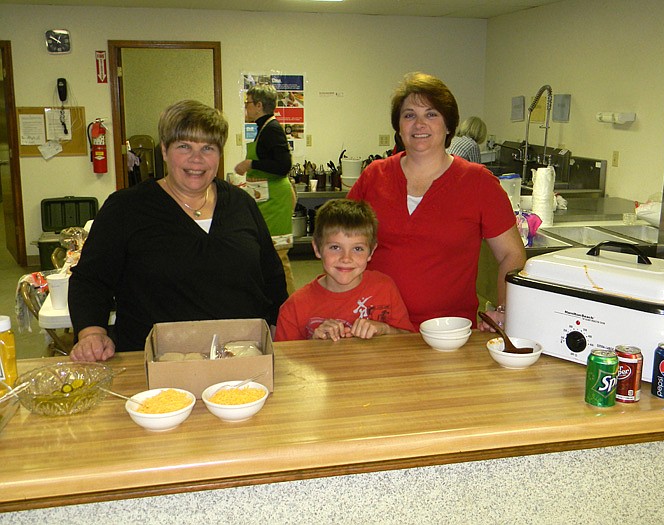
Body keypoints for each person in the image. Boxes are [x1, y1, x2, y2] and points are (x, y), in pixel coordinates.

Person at [69, 100, 288, 362]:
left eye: (208, 148)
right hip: (156, 362)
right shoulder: (126, 208)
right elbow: (91, 280)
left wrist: (278, 327)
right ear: (164, 150)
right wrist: (92, 333)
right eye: (184, 146)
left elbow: (272, 276)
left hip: (241, 357)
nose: (197, 159)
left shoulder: (241, 204)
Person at [347, 72, 526, 332]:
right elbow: (339, 244)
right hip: (374, 327)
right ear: (399, 126)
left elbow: (512, 253)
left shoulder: (478, 183)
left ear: (449, 125)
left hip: (448, 332)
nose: (419, 124)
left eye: (431, 114)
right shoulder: (374, 176)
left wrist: (505, 310)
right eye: (409, 115)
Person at [275, 199, 414, 342]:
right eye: (335, 247)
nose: (346, 258)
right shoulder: (294, 308)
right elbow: (283, 360)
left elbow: (409, 340)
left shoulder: (385, 287)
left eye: (357, 249)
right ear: (317, 248)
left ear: (371, 252)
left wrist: (384, 329)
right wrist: (313, 345)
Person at [234, 84, 296, 295]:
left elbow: (282, 166)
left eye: (248, 103)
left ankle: (291, 306)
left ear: (259, 105)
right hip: (266, 199)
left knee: (280, 256)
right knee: (268, 254)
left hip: (276, 201)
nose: (246, 109)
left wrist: (251, 164)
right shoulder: (264, 128)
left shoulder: (273, 129)